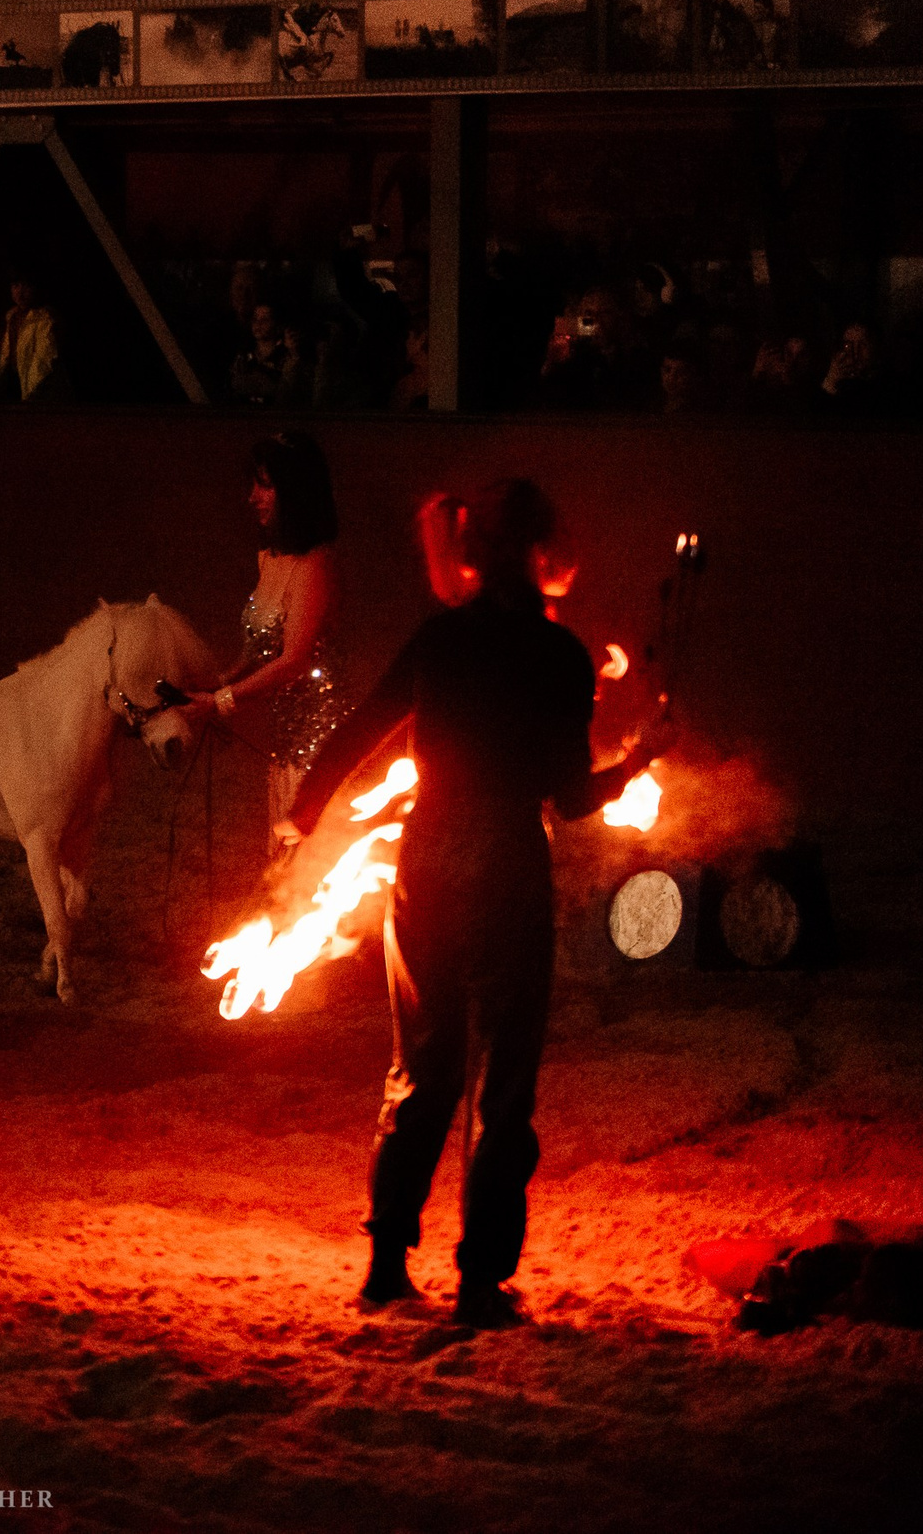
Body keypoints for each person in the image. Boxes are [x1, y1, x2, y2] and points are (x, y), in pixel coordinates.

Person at [276, 480, 669, 1328]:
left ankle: (385, 1266)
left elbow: (360, 728)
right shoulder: (557, 657)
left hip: (427, 855)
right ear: (539, 552)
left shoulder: (442, 637)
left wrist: (302, 813)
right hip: (503, 861)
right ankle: (481, 1283)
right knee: (504, 1083)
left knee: (421, 1066)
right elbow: (569, 797)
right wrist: (640, 758)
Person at [175, 433, 342, 836]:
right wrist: (219, 682)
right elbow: (262, 648)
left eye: (265, 484)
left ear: (295, 491)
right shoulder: (269, 560)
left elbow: (294, 660)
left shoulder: (314, 567)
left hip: (316, 747)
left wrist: (221, 702)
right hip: (283, 746)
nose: (252, 497)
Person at [0, 275, 59, 400]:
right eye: (16, 286)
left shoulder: (44, 318)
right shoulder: (11, 316)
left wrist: (30, 393)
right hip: (15, 381)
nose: (20, 292)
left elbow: (42, 360)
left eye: (26, 286)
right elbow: (6, 354)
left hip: (38, 389)